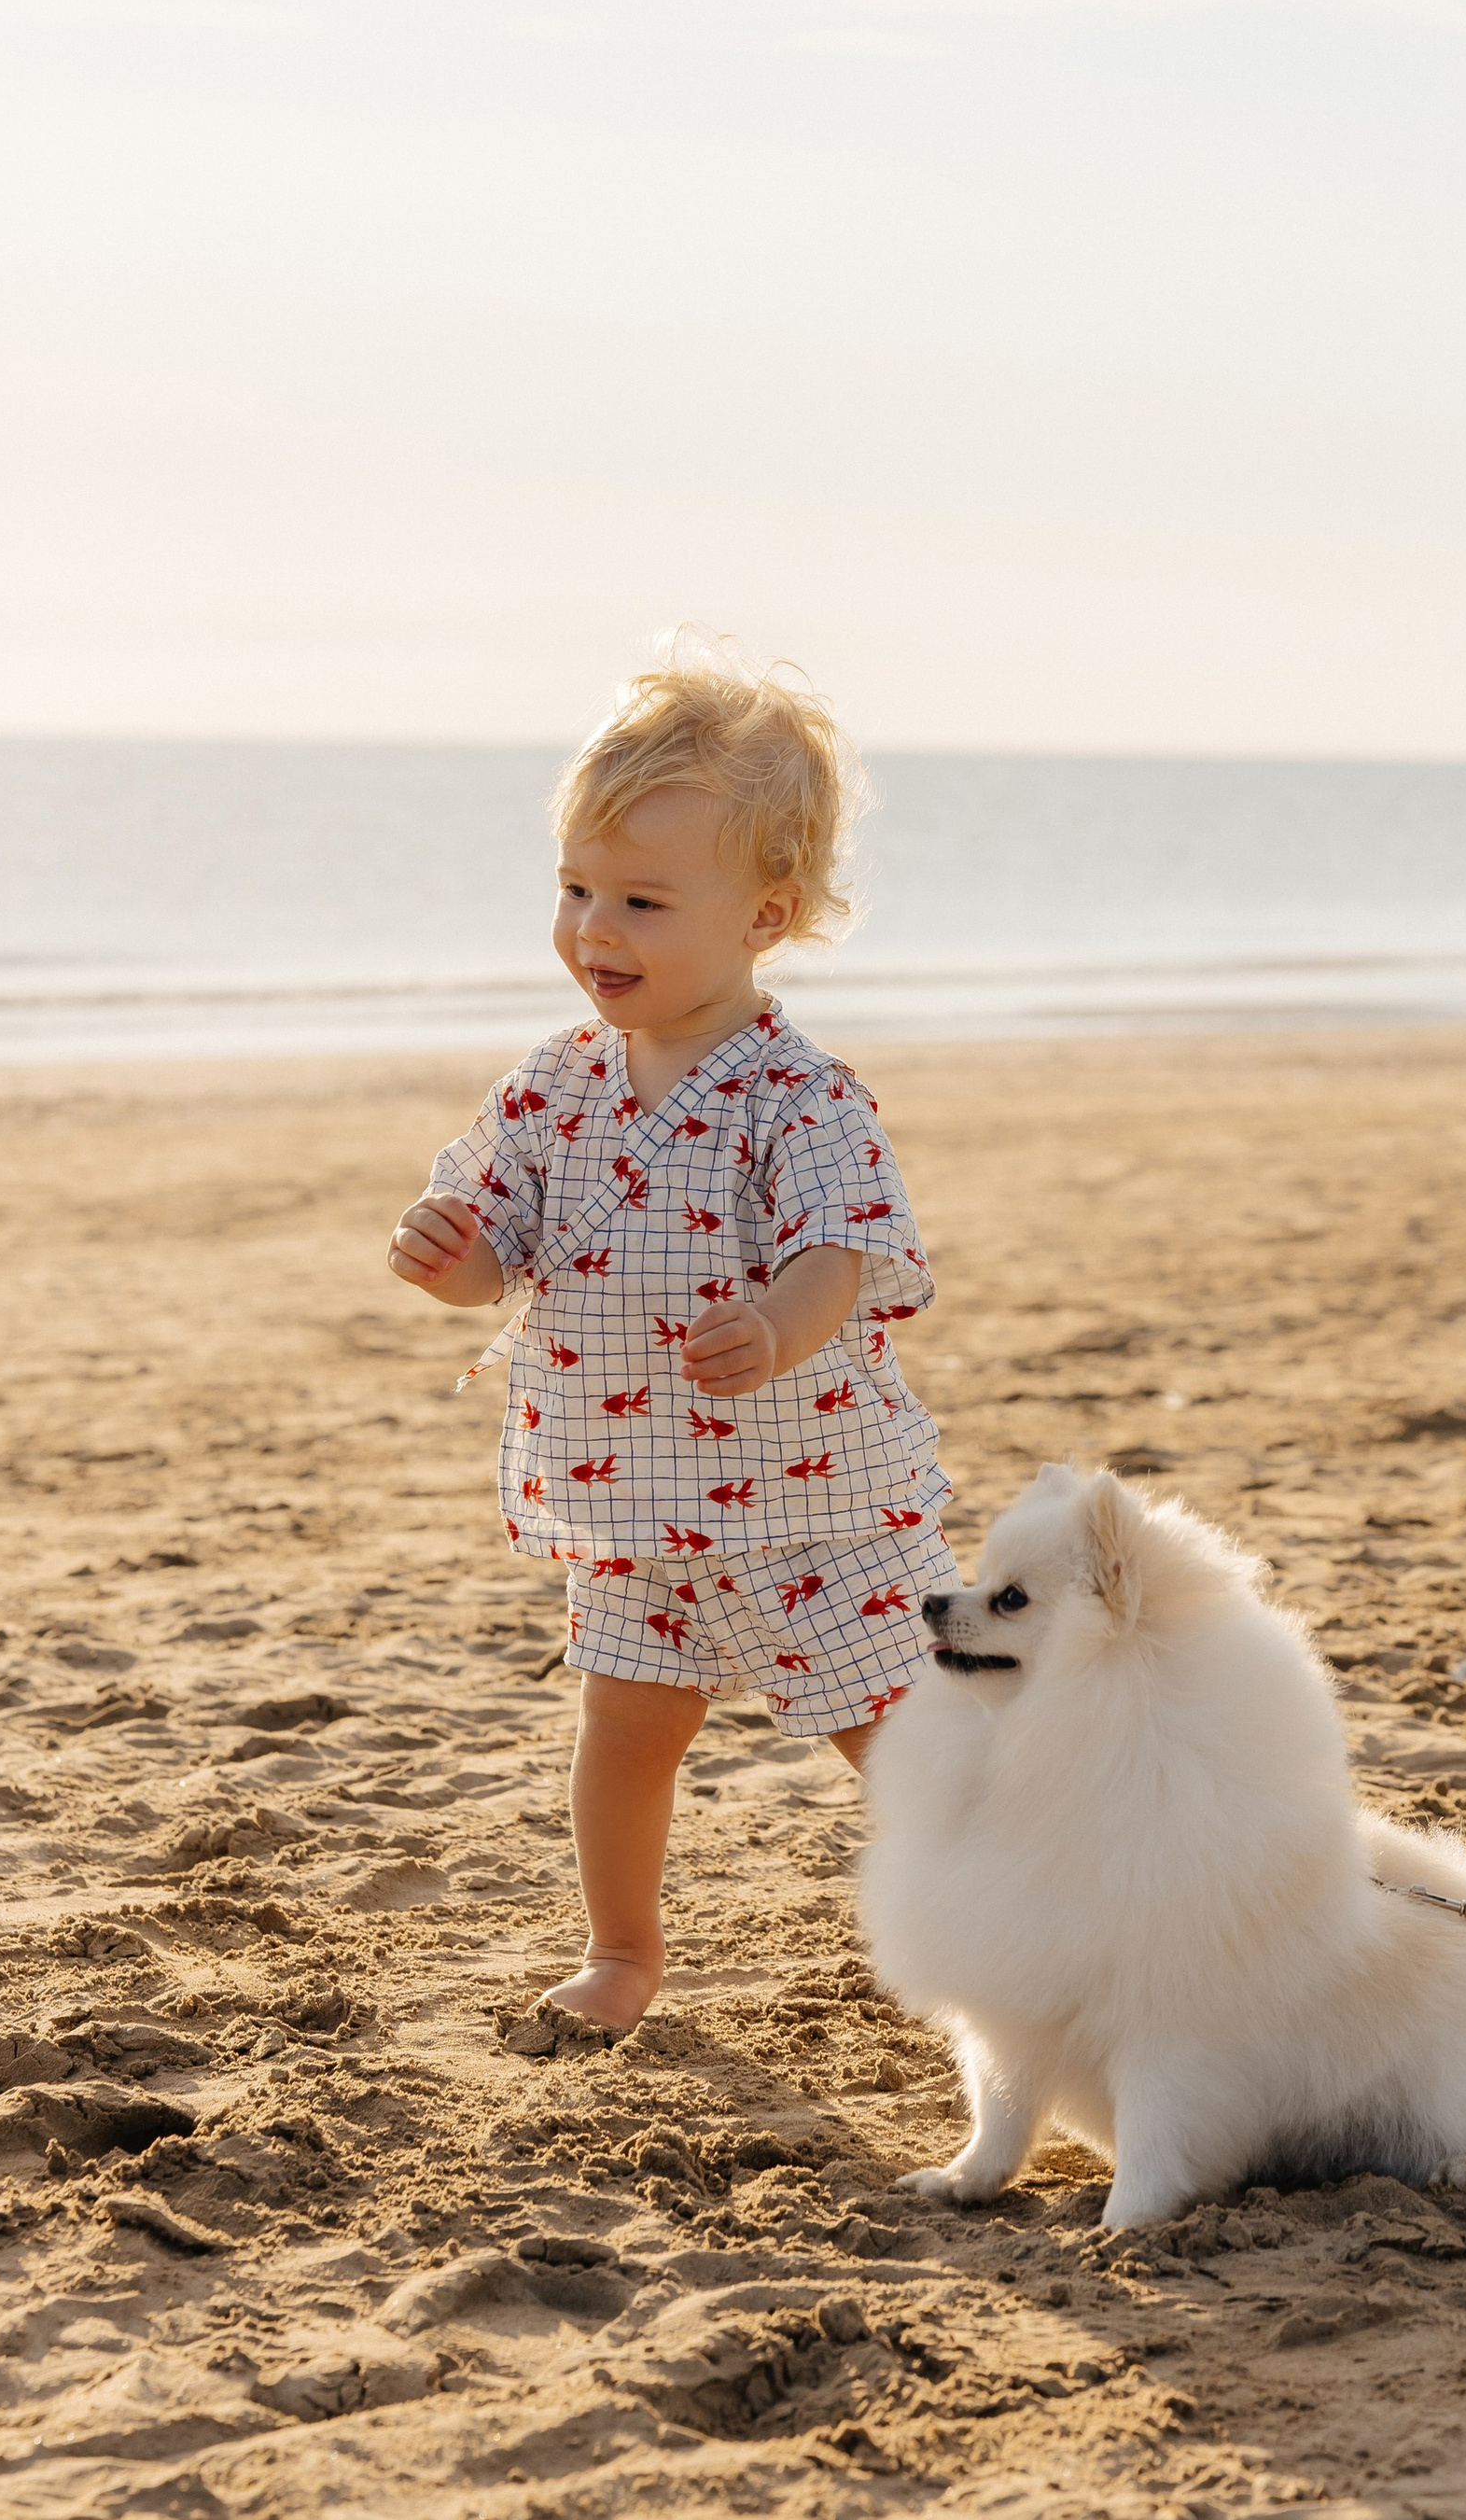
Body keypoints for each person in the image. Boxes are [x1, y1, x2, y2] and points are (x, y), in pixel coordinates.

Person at [385, 642, 953, 2027]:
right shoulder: (556, 1085)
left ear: (764, 915)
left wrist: (777, 1322)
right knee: (625, 1732)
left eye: (642, 899)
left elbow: (847, 1246)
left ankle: (1033, 1929)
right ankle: (626, 1950)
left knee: (911, 1744)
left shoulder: (795, 1097)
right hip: (636, 1504)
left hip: (810, 1505)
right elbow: (503, 1246)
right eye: (576, 889)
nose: (596, 929)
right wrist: (455, 1261)